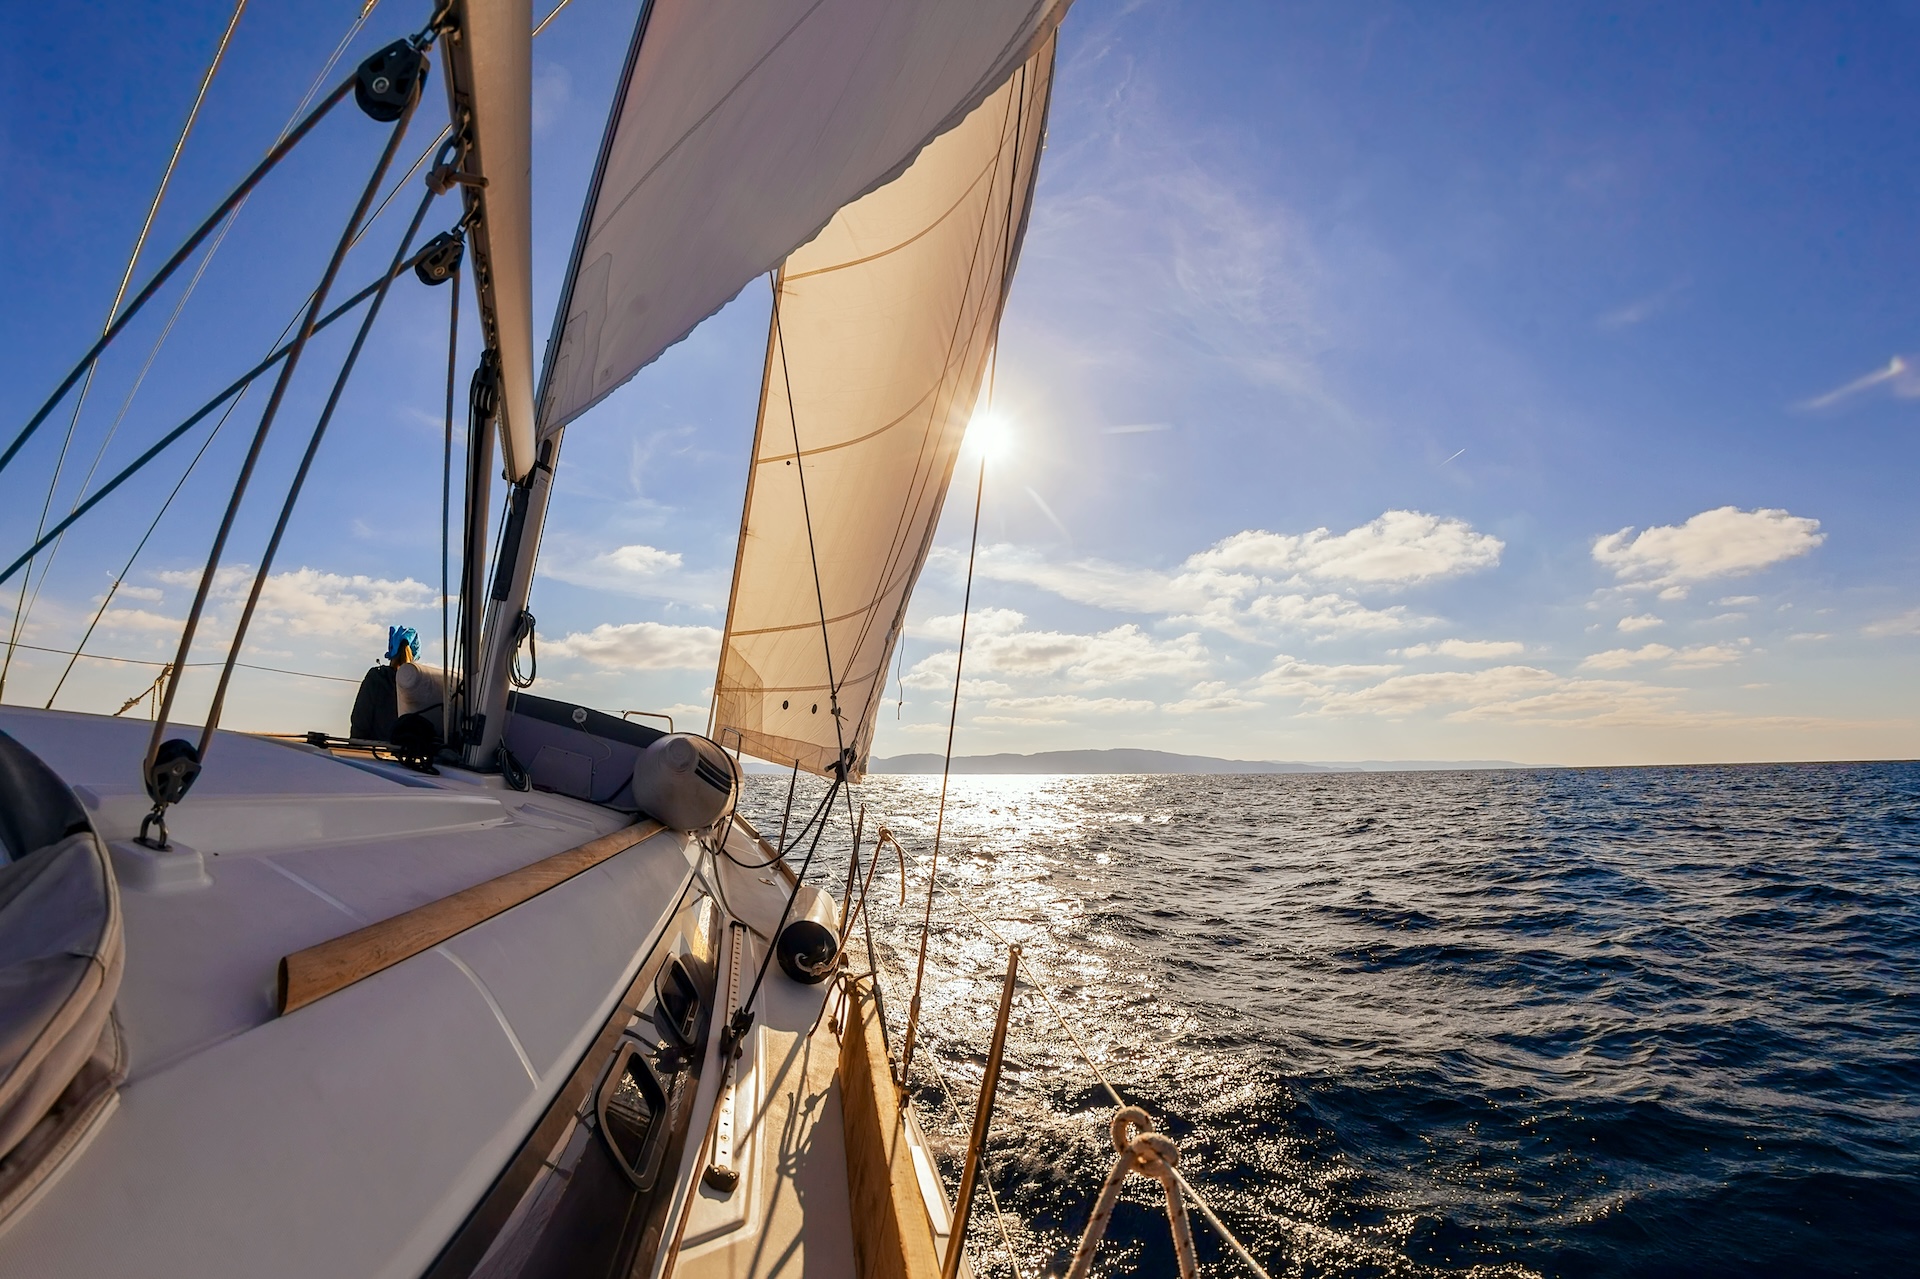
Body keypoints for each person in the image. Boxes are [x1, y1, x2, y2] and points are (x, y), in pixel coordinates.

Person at [349, 626, 417, 741]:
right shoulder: (421, 683)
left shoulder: (377, 678)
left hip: (374, 754)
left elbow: (360, 721)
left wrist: (356, 750)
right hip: (409, 755)